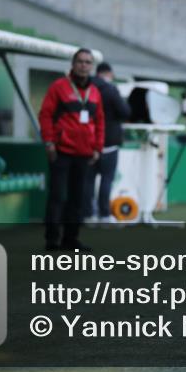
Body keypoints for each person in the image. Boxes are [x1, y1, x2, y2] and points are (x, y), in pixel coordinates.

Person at [39, 48, 104, 251]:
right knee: (58, 196)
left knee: (77, 198)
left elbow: (100, 122)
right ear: (73, 64)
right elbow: (45, 115)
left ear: (91, 66)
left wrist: (97, 148)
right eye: (80, 62)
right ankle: (52, 239)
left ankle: (71, 238)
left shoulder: (95, 92)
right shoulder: (59, 87)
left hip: (84, 154)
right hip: (61, 152)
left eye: (88, 62)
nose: (84, 66)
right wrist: (49, 142)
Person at [84, 61, 131, 224]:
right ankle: (104, 214)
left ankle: (88, 214)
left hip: (88, 142)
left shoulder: (86, 88)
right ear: (109, 73)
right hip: (108, 142)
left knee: (88, 180)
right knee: (106, 179)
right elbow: (125, 112)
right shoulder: (111, 90)